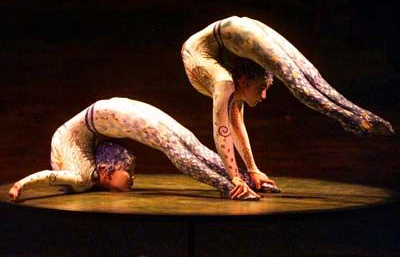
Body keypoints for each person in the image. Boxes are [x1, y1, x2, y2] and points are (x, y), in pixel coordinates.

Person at [181, 16, 394, 199]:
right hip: (231, 32)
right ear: (245, 82)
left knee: (303, 80)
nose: (264, 96)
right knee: (305, 79)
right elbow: (229, 128)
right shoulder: (226, 83)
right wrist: (243, 173)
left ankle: (351, 117)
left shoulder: (226, 83)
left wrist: (238, 175)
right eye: (262, 88)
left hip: (231, 33)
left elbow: (223, 129)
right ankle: (354, 116)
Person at [9, 97, 278, 202]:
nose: (133, 176)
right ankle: (242, 179)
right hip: (100, 118)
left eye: (128, 171)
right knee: (185, 143)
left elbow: (48, 176)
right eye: (130, 170)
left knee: (180, 148)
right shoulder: (90, 164)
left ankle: (235, 183)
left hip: (97, 119)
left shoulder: (82, 178)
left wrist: (21, 186)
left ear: (104, 171)